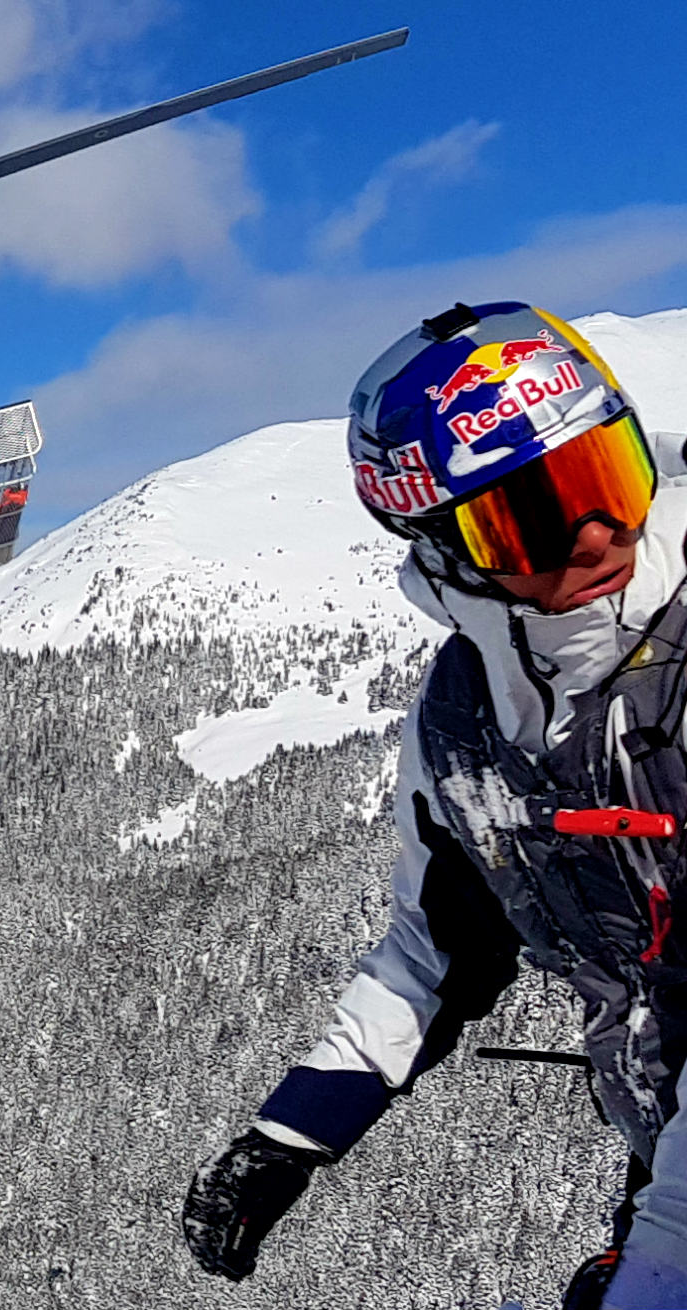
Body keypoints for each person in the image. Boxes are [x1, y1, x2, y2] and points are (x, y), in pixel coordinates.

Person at [180, 301, 687, 1310]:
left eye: (607, 480)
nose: (596, 533)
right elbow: (441, 946)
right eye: (532, 516)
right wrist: (291, 1133)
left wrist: (663, 1250)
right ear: (449, 552)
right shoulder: (466, 720)